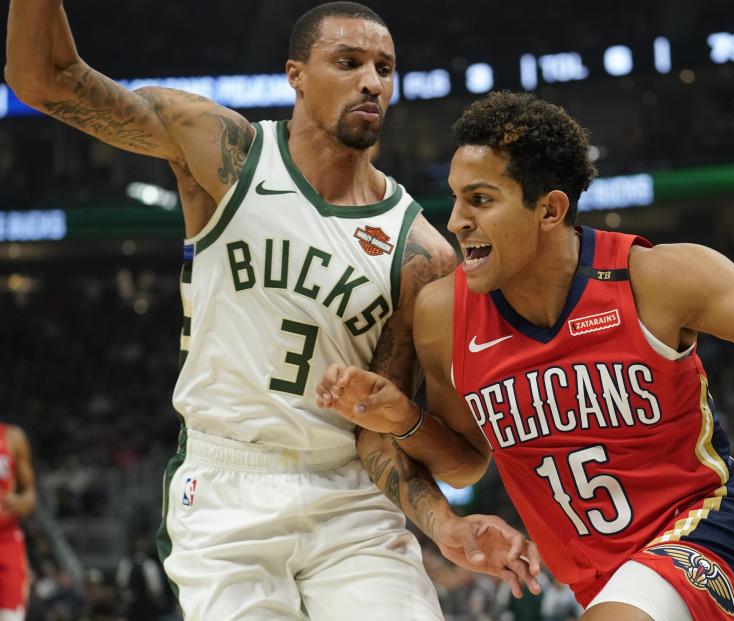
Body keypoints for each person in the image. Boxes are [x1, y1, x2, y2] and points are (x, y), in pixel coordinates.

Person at [5, 3, 538, 619]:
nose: (371, 81)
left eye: (384, 68)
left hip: (350, 498)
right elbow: (44, 78)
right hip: (228, 484)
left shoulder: (421, 252)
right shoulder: (221, 148)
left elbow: (376, 430)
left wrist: (445, 524)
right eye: (348, 62)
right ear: (296, 75)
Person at [317, 90, 734, 620]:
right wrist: (406, 422)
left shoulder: (656, 279)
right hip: (603, 583)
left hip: (715, 540)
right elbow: (467, 463)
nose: (455, 221)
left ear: (550, 209)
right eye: (455, 199)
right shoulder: (443, 315)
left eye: (480, 200)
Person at [0, 422, 36, 621]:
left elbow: (30, 492)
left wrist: (20, 502)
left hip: (6, 541)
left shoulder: (12, 437)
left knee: (11, 617)